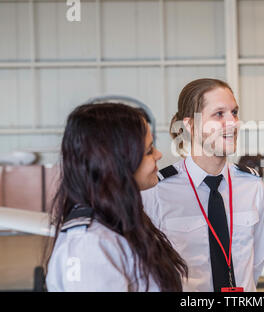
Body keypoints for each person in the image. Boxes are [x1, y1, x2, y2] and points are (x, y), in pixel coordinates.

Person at [142, 78, 264, 292]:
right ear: (190, 125)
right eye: (219, 114)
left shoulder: (252, 186)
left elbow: (256, 262)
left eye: (234, 113)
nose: (233, 123)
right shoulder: (157, 190)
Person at [45, 102, 188, 291]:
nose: (159, 155)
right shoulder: (89, 245)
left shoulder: (121, 222)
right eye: (148, 151)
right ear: (114, 162)